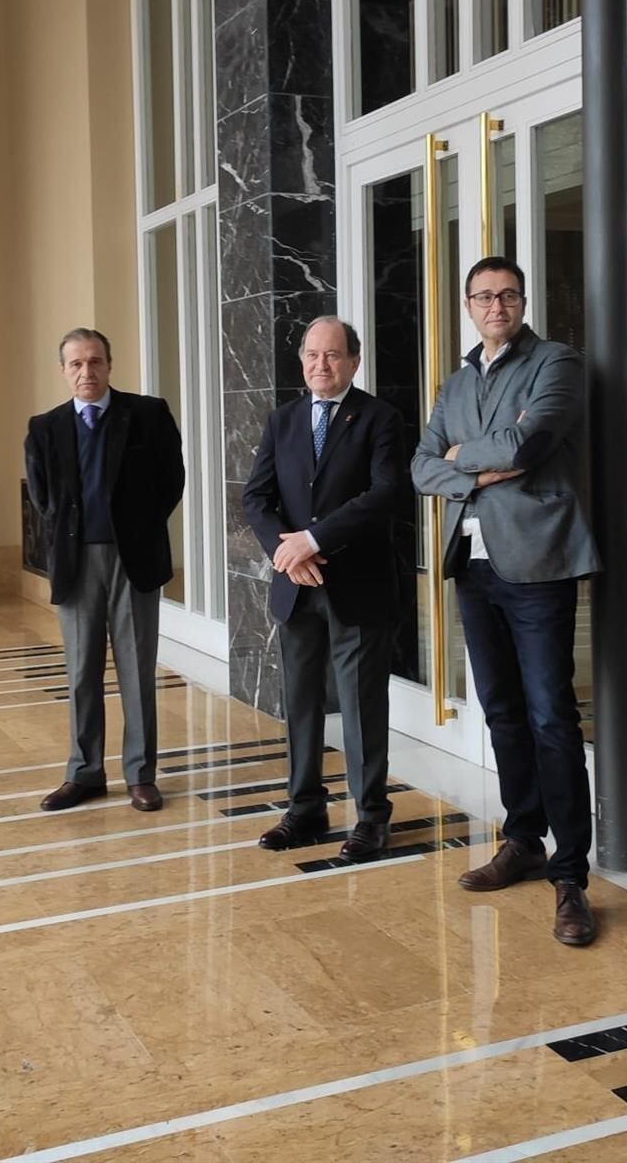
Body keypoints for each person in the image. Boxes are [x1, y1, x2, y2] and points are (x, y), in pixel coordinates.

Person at [411, 257, 600, 947]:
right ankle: (523, 838)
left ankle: (571, 875)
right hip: (475, 567)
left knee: (552, 715)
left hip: (539, 560)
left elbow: (530, 442)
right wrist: (480, 462)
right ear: (468, 305)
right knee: (502, 712)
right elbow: (420, 464)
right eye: (484, 297)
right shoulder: (455, 383)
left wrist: (469, 457)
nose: (497, 306)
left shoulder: (557, 362)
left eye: (508, 295)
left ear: (523, 300)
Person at [243, 317, 407, 862]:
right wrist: (285, 553)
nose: (321, 365)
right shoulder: (284, 419)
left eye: (333, 355)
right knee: (302, 701)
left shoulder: (380, 418)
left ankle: (370, 818)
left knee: (361, 704)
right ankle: (305, 808)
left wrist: (313, 540)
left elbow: (384, 494)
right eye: (312, 355)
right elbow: (256, 499)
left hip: (357, 585)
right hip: (297, 587)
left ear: (354, 361)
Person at [24, 328, 185, 813]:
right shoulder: (45, 427)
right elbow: (42, 496)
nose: (86, 372)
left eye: (94, 362)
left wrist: (138, 527)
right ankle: (84, 772)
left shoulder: (148, 414)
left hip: (132, 559)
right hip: (76, 563)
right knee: (80, 673)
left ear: (109, 365)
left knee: (136, 671)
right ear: (64, 371)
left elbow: (171, 480)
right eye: (75, 364)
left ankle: (140, 774)